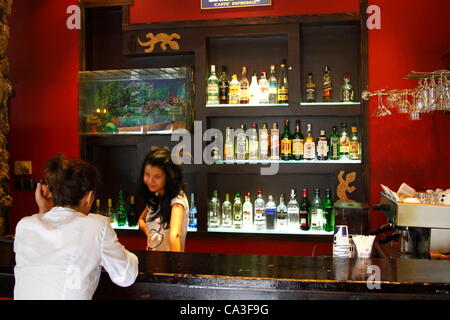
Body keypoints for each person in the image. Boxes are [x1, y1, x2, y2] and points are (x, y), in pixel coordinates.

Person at [13, 154, 139, 300]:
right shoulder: (96, 225)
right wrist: (132, 257)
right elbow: (125, 276)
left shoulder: (24, 225)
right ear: (89, 197)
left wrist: (44, 212)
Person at [138, 148, 189, 252]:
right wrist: (149, 233)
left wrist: (175, 266)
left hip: (168, 263)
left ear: (168, 177)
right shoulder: (156, 195)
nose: (150, 181)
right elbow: (141, 220)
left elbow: (175, 236)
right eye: (147, 175)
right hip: (153, 261)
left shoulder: (177, 200)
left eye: (157, 176)